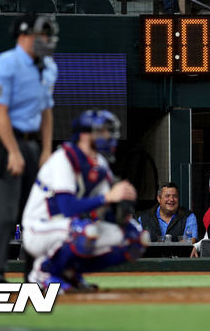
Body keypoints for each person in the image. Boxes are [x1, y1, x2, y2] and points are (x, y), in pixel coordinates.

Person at [0, 13, 58, 285]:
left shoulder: (49, 67)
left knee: (38, 212)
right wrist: (13, 151)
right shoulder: (6, 63)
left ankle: (36, 274)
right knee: (3, 214)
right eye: (41, 35)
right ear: (24, 35)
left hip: (31, 143)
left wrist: (46, 150)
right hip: (1, 142)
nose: (46, 40)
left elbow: (47, 111)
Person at [22, 110, 148, 292]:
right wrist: (108, 197)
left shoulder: (100, 163)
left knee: (135, 239)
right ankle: (43, 273)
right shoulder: (64, 158)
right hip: (40, 228)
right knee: (83, 231)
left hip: (69, 226)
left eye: (108, 131)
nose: (107, 136)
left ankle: (69, 273)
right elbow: (67, 207)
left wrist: (120, 214)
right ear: (83, 134)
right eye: (101, 131)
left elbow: (103, 209)